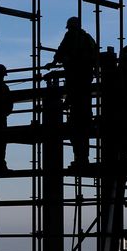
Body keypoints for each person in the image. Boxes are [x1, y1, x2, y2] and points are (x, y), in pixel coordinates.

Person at [44, 16, 98, 168]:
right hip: (85, 80)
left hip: (75, 78)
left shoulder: (71, 37)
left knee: (76, 121)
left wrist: (54, 62)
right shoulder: (88, 38)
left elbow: (61, 51)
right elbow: (95, 56)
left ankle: (81, 158)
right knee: (84, 117)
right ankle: (83, 158)